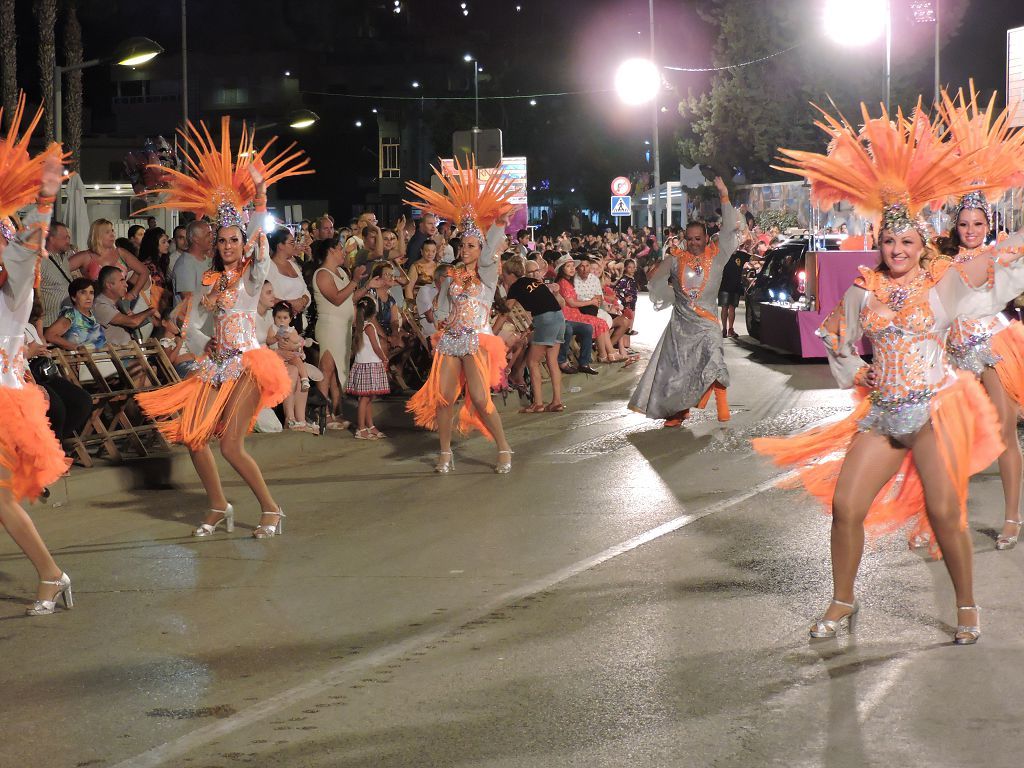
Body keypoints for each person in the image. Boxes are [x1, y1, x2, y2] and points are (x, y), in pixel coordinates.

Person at [753, 95, 1024, 644]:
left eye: (906, 240)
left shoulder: (942, 285)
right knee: (845, 505)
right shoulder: (865, 288)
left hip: (932, 415)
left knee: (947, 513)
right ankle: (841, 601)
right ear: (878, 242)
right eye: (888, 239)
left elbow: (998, 280)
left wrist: (1004, 254)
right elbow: (833, 335)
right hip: (884, 415)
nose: (896, 247)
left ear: (923, 245)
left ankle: (967, 605)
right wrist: (856, 371)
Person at [135, 117, 310, 539]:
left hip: (248, 363)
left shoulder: (252, 276)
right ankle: (217, 504)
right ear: (215, 245)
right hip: (214, 361)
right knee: (194, 437)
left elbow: (259, 244)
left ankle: (271, 508)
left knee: (231, 445)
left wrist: (261, 195)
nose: (229, 246)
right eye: (224, 241)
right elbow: (196, 325)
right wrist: (200, 327)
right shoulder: (211, 280)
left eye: (235, 239)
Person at [0, 108, 73, 617]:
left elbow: (30, 246)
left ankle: (52, 574)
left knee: (2, 502)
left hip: (2, 398)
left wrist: (45, 196)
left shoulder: (16, 283)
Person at [404, 160, 517, 473]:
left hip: (476, 340)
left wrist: (498, 226)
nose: (465, 250)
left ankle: (504, 447)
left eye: (471, 246)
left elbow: (492, 247)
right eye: (462, 245)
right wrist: (435, 324)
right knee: (443, 398)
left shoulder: (488, 275)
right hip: (450, 340)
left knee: (480, 399)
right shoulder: (451, 276)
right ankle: (444, 452)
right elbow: (441, 309)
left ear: (480, 250)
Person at [629, 177, 737, 426]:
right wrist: (670, 291)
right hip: (680, 326)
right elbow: (655, 284)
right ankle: (678, 411)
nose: (693, 243)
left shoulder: (718, 258)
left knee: (714, 357)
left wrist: (724, 194)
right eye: (689, 238)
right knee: (678, 372)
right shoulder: (675, 260)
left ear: (706, 238)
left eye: (698, 238)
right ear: (684, 238)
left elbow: (730, 228)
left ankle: (722, 399)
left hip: (708, 322)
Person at [312, 236, 382, 429]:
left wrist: (367, 286)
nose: (344, 253)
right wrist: (354, 280)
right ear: (331, 251)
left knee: (337, 371)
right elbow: (336, 298)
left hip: (343, 327)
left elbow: (350, 298)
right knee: (326, 369)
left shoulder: (341, 272)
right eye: (341, 249)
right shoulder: (322, 274)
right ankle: (322, 414)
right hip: (329, 326)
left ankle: (335, 412)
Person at [505, 258, 566, 412]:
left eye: (503, 274)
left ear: (510, 274)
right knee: (552, 360)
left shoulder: (515, 286)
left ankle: (538, 403)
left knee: (532, 362)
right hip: (559, 318)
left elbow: (505, 310)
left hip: (545, 319)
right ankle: (557, 401)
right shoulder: (535, 282)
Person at [346, 296, 391, 439]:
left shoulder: (360, 327)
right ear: (373, 312)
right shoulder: (369, 327)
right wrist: (385, 358)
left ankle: (370, 425)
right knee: (364, 399)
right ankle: (361, 428)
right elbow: (376, 347)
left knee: (368, 398)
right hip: (370, 364)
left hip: (364, 365)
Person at [75, 218, 150, 302]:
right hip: (96, 306)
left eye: (112, 231)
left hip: (120, 305)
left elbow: (144, 271)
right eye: (107, 232)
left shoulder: (120, 252)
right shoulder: (86, 256)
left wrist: (133, 293)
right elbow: (61, 270)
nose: (112, 234)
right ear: (97, 235)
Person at [93, 265, 161, 345]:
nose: (126, 285)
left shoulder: (119, 304)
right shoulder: (100, 305)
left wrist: (150, 319)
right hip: (115, 355)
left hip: (128, 352)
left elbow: (134, 323)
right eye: (121, 281)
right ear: (109, 285)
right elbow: (133, 322)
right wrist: (151, 311)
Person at [267, 226, 312, 331]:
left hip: (299, 322)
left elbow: (306, 291)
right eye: (291, 243)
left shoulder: (294, 265)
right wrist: (290, 304)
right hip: (280, 324)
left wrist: (303, 300)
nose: (294, 245)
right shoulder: (269, 267)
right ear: (280, 246)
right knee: (283, 344)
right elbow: (267, 295)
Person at [45, 277, 106, 351]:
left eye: (91, 293)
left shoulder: (91, 317)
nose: (88, 297)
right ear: (74, 297)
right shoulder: (71, 315)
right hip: (78, 360)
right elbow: (49, 335)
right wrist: (76, 347)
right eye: (83, 293)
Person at [267, 301, 314, 391]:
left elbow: (297, 340)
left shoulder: (291, 330)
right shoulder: (273, 328)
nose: (282, 320)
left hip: (290, 354)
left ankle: (305, 379)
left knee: (297, 360)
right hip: (277, 355)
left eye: (285, 318)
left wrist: (290, 336)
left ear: (290, 319)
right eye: (279, 317)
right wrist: (276, 337)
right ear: (274, 318)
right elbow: (268, 341)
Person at [171, 219, 214, 306]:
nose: (212, 237)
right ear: (195, 239)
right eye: (208, 234)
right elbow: (190, 302)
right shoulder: (185, 265)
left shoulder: (207, 259)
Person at [718, 240, 750, 338]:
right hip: (724, 285)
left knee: (732, 308)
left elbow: (752, 257)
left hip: (736, 285)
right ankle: (724, 329)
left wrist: (766, 257)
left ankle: (731, 329)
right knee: (724, 307)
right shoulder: (722, 255)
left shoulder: (741, 255)